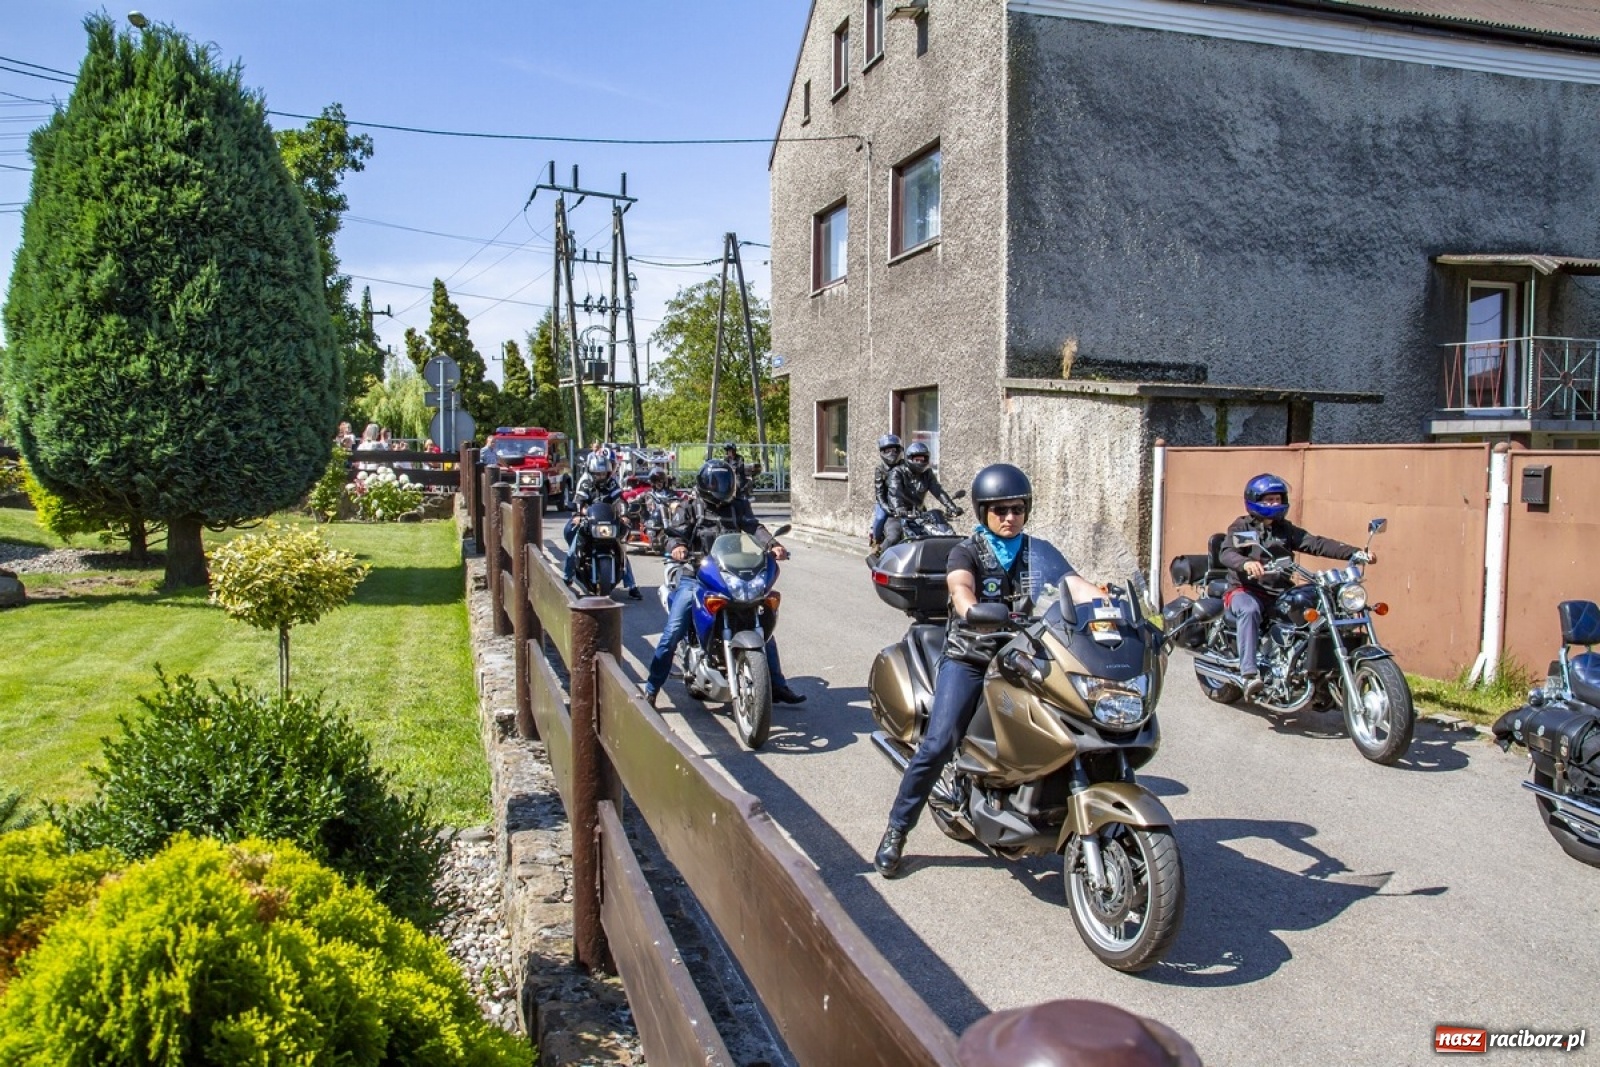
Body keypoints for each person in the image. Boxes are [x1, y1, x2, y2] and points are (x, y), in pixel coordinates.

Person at [875, 463, 1102, 878]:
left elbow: (1075, 583)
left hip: (1028, 652)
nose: (1009, 517)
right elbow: (960, 587)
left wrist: (1110, 602)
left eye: (1016, 509)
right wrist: (970, 608)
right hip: (972, 654)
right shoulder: (968, 550)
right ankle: (896, 831)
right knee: (940, 741)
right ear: (983, 513)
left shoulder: (1038, 551)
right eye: (999, 510)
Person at [642, 459, 806, 708]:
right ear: (706, 484)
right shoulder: (690, 506)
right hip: (697, 577)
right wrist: (677, 546)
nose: (723, 488)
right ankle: (652, 687)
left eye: (726, 482)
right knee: (673, 631)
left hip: (731, 574)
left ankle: (777, 685)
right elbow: (673, 535)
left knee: (759, 622)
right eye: (717, 483)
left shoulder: (737, 505)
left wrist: (773, 545)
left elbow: (754, 527)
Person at [1218, 473, 1371, 700]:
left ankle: (1317, 675)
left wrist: (1355, 552)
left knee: (1313, 608)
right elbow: (1227, 553)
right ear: (1254, 500)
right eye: (1268, 500)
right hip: (1246, 590)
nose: (1274, 504)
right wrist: (1246, 563)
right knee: (1249, 610)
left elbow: (1315, 543)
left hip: (1279, 591)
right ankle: (1248, 674)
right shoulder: (1242, 527)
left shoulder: (1285, 529)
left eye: (1277, 499)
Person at [564, 451, 643, 599]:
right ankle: (566, 578)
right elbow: (579, 501)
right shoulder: (586, 483)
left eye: (603, 473)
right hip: (590, 522)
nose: (600, 477)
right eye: (597, 474)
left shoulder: (612, 483)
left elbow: (620, 500)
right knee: (572, 550)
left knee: (622, 551)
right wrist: (578, 515)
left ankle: (632, 586)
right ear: (592, 472)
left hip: (608, 521)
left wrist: (624, 515)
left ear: (608, 473)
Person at [879, 442, 961, 551]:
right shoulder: (897, 472)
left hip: (919, 514)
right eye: (916, 459)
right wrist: (898, 508)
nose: (920, 462)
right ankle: (879, 558)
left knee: (940, 534)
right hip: (897, 515)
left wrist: (952, 507)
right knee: (893, 537)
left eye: (923, 459)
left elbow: (938, 491)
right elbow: (895, 492)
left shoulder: (927, 474)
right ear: (909, 458)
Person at [871, 434, 903, 546]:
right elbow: (879, 493)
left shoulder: (905, 466)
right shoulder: (880, 469)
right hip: (885, 501)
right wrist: (886, 507)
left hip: (903, 501)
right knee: (880, 517)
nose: (891, 453)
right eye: (888, 450)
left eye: (894, 449)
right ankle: (876, 540)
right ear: (882, 451)